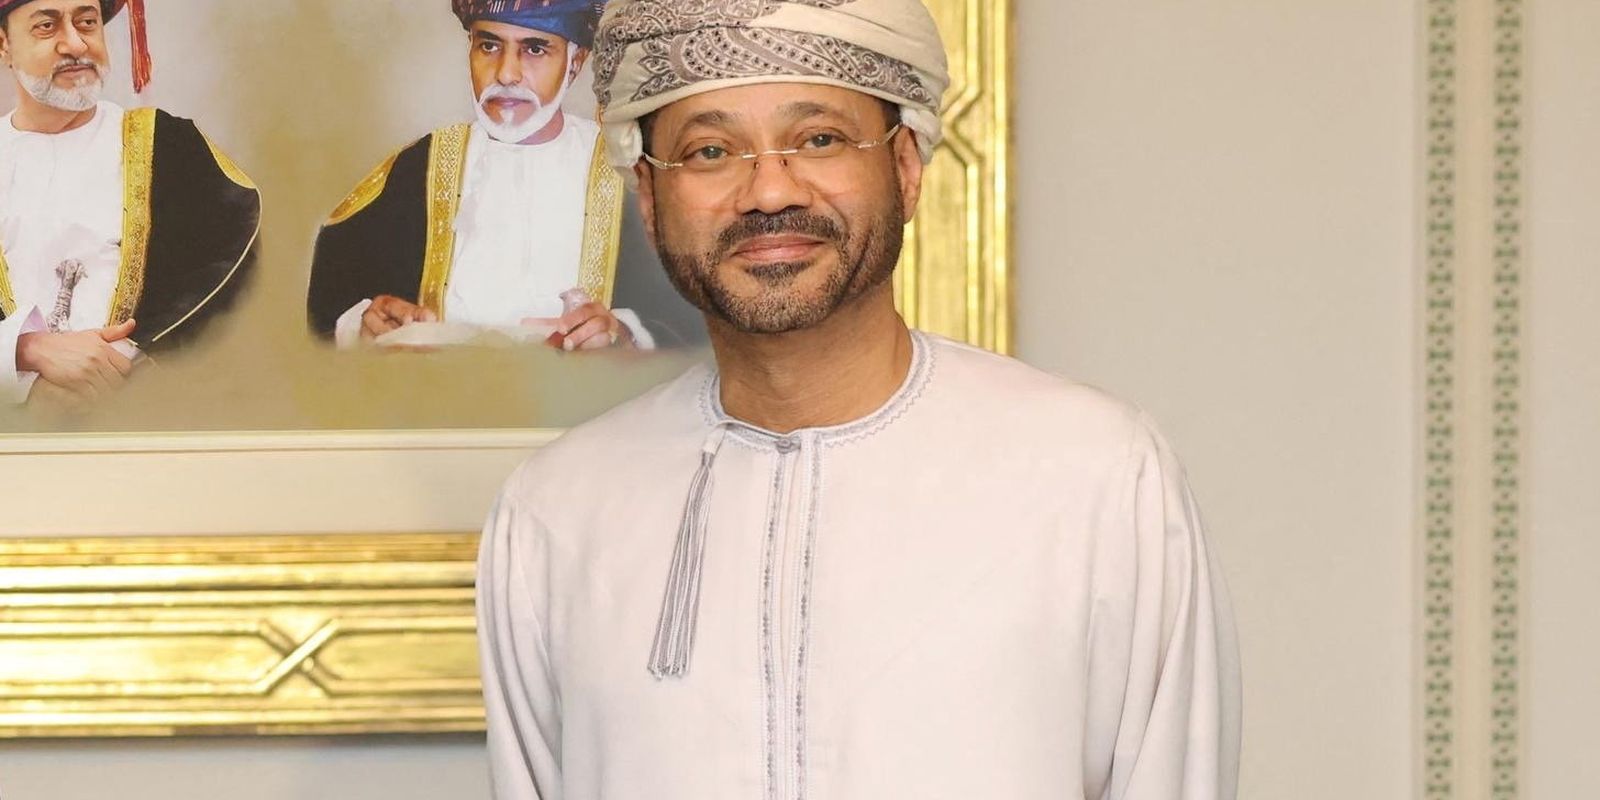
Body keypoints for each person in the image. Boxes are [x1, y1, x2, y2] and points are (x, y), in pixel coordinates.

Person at [477, 1, 1242, 798]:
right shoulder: (557, 513)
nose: (769, 191)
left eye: (820, 140)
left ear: (905, 168)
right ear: (648, 196)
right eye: (711, 151)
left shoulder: (1095, 477)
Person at [308, 0, 701, 352]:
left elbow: (694, 319)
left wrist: (625, 333)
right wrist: (363, 323)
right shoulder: (418, 167)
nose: (506, 73)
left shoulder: (628, 175)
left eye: (534, 49)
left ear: (575, 62)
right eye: (489, 46)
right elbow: (330, 305)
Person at [0, 0, 260, 408]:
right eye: (47, 26)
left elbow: (233, 271)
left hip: (147, 417)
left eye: (87, 22)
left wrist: (114, 369)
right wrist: (22, 351)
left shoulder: (170, 148)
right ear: (4, 44)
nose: (75, 44)